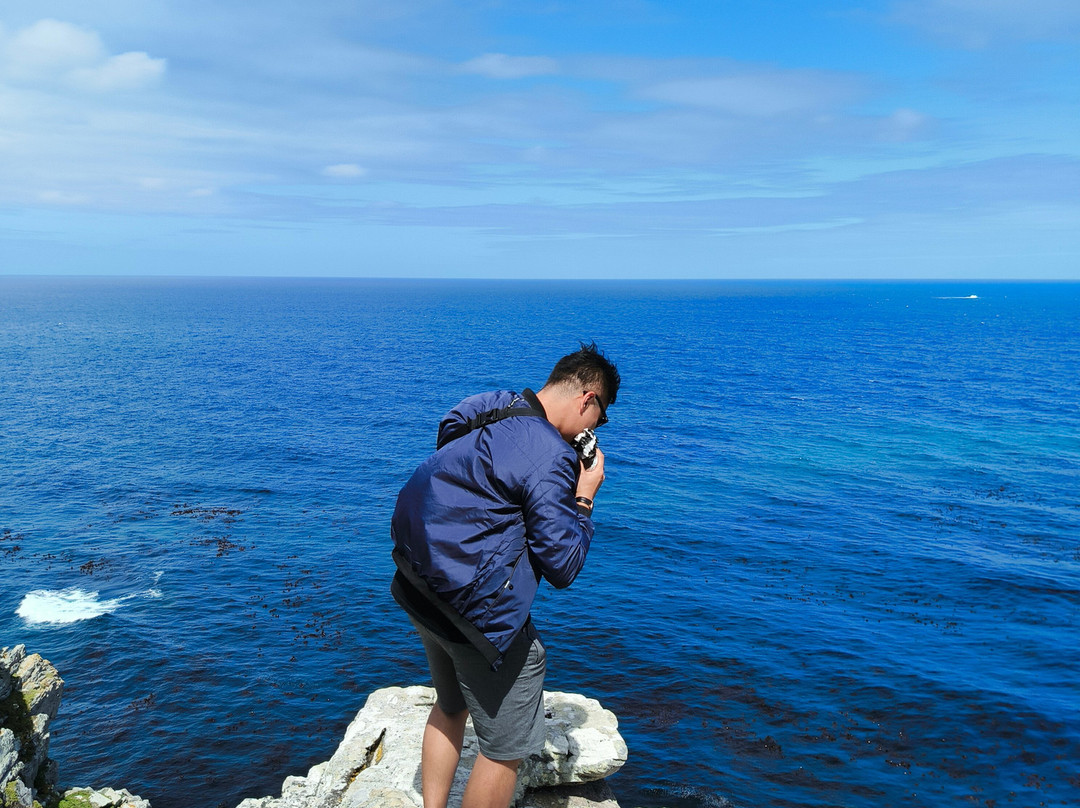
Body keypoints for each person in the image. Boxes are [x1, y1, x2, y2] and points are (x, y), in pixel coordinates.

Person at [390, 342, 620, 808]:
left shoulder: (495, 405)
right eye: (601, 417)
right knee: (504, 752)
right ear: (587, 399)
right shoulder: (552, 458)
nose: (596, 428)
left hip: (416, 580)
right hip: (470, 613)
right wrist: (584, 494)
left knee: (451, 705)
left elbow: (449, 435)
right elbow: (563, 566)